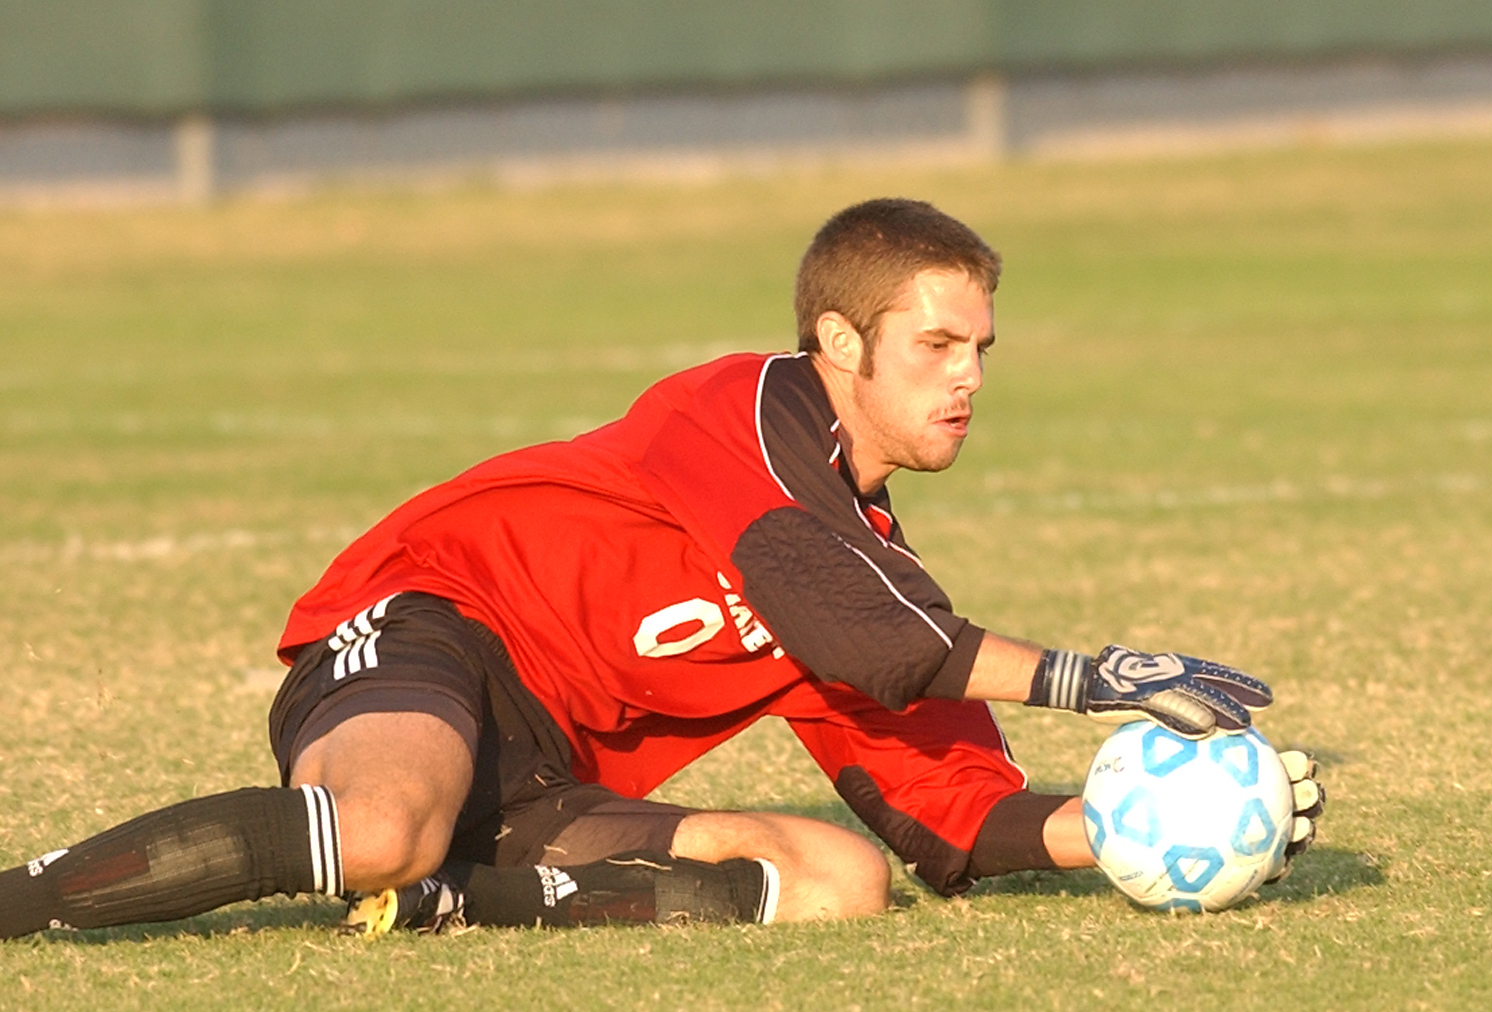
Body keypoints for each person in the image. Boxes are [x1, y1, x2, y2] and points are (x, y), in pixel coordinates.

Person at [0, 198, 1322, 941]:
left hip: (542, 779)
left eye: (983, 348)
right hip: (426, 635)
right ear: (837, 345)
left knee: (837, 884)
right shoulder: (741, 414)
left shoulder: (871, 574)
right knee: (386, 824)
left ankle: (463, 903)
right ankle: (19, 904)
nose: (968, 377)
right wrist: (1095, 676)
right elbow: (851, 625)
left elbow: (947, 821)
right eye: (936, 344)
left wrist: (1149, 834)